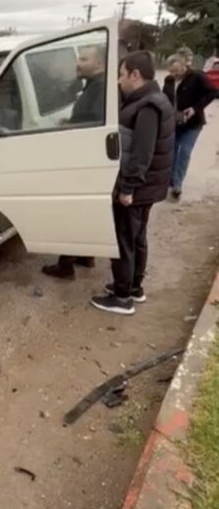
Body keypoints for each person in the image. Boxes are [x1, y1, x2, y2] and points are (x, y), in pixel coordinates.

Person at [91, 51, 174, 316]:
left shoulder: (147, 106)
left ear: (135, 75)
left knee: (124, 240)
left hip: (138, 187)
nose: (119, 80)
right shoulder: (153, 99)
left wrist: (127, 188)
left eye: (121, 74)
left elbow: (141, 153)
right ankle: (134, 288)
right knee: (137, 238)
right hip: (147, 186)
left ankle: (122, 297)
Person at [42, 44, 106, 280]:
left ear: (98, 63)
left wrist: (70, 127)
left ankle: (66, 265)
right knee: (85, 211)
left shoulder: (100, 88)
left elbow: (95, 123)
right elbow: (88, 117)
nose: (78, 63)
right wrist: (70, 122)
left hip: (86, 159)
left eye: (84, 59)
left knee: (73, 212)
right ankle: (86, 255)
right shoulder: (94, 85)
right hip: (87, 158)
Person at [163, 53, 215, 199]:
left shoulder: (197, 77)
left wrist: (195, 108)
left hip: (193, 123)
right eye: (171, 71)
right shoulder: (169, 80)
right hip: (174, 122)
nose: (174, 74)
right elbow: (165, 97)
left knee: (184, 152)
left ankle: (177, 183)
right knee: (172, 151)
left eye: (176, 71)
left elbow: (213, 92)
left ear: (184, 65)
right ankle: (170, 179)